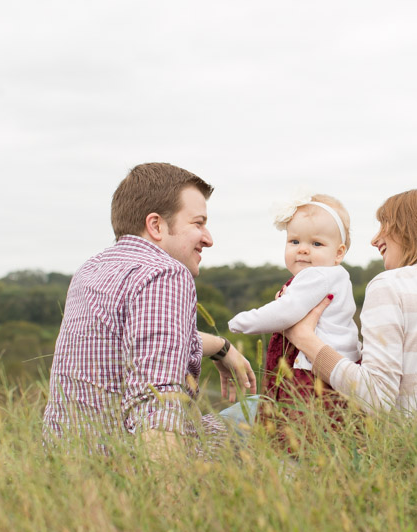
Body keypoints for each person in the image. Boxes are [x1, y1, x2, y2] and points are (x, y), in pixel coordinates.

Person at [42, 163, 256, 456]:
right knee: (269, 412)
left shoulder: (89, 270)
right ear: (156, 225)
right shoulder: (165, 273)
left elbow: (141, 342)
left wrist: (221, 347)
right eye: (198, 223)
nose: (208, 238)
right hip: (131, 466)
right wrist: (163, 495)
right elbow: (156, 401)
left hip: (69, 463)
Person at [285, 188, 417, 440]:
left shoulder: (391, 285)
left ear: (413, 228)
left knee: (244, 417)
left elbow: (376, 397)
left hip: (405, 455)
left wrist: (303, 338)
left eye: (386, 226)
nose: (374, 240)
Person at [227, 194, 360, 423]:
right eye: (295, 241)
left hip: (311, 374)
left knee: (296, 427)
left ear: (339, 253)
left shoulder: (317, 275)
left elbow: (285, 313)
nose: (303, 250)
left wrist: (241, 322)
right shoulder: (332, 275)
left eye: (316, 244)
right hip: (328, 371)